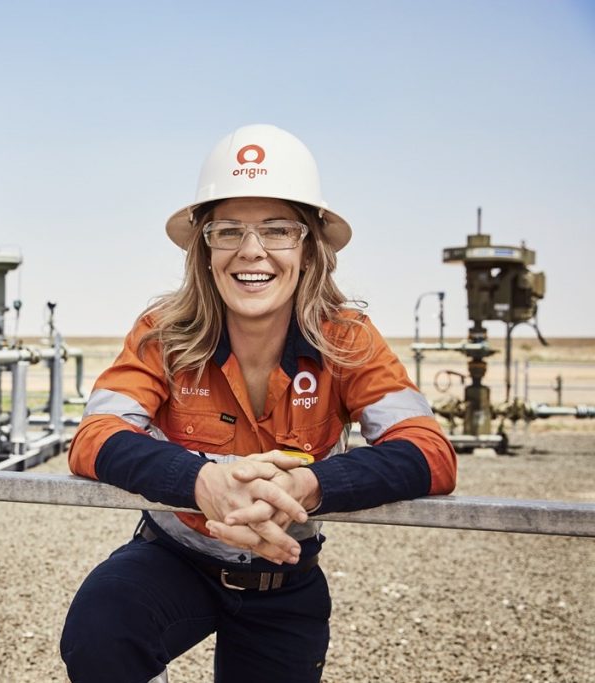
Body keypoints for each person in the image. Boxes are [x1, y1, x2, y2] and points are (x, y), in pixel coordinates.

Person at [59, 124, 457, 683]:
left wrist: (306, 486)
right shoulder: (162, 333)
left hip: (284, 573)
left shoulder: (348, 340)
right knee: (102, 633)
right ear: (204, 247)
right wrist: (204, 483)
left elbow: (430, 453)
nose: (252, 251)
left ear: (309, 246)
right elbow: (95, 435)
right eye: (229, 231)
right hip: (174, 555)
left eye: (277, 230)